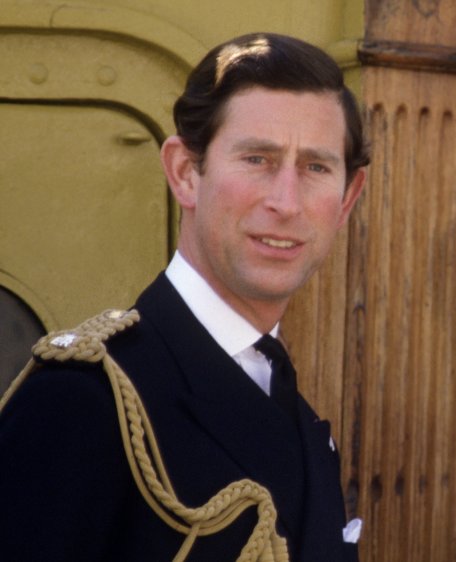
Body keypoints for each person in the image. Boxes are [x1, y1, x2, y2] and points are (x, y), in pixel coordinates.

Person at [0, 32, 368, 561]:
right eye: (257, 159)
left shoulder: (299, 418)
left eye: (315, 167)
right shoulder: (82, 403)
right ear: (184, 173)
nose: (286, 202)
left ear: (347, 198)